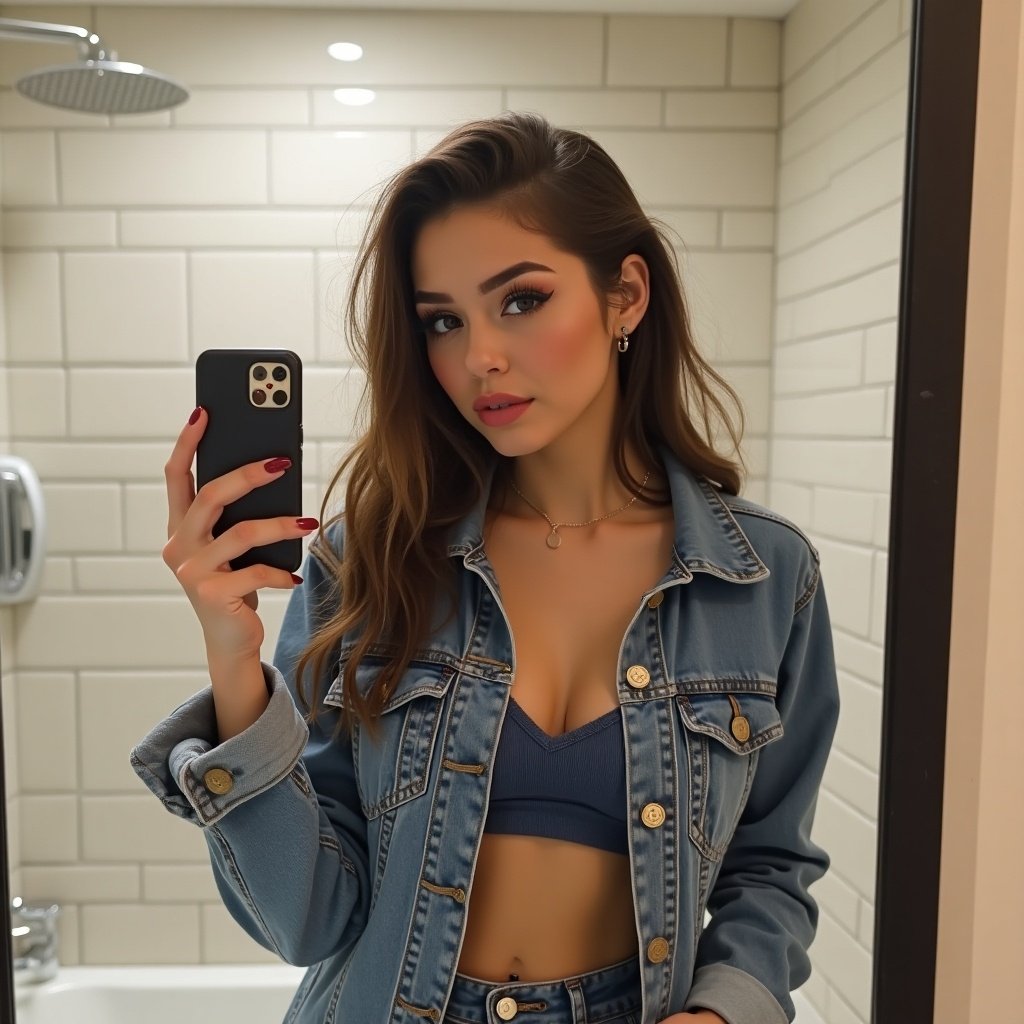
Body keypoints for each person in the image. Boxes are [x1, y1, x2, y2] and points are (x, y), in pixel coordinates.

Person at [131, 111, 840, 1024]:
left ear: (626, 294)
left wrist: (724, 1010)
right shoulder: (372, 559)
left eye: (522, 300)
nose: (479, 358)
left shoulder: (764, 577)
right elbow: (308, 919)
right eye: (442, 321)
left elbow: (771, 866)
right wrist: (234, 660)